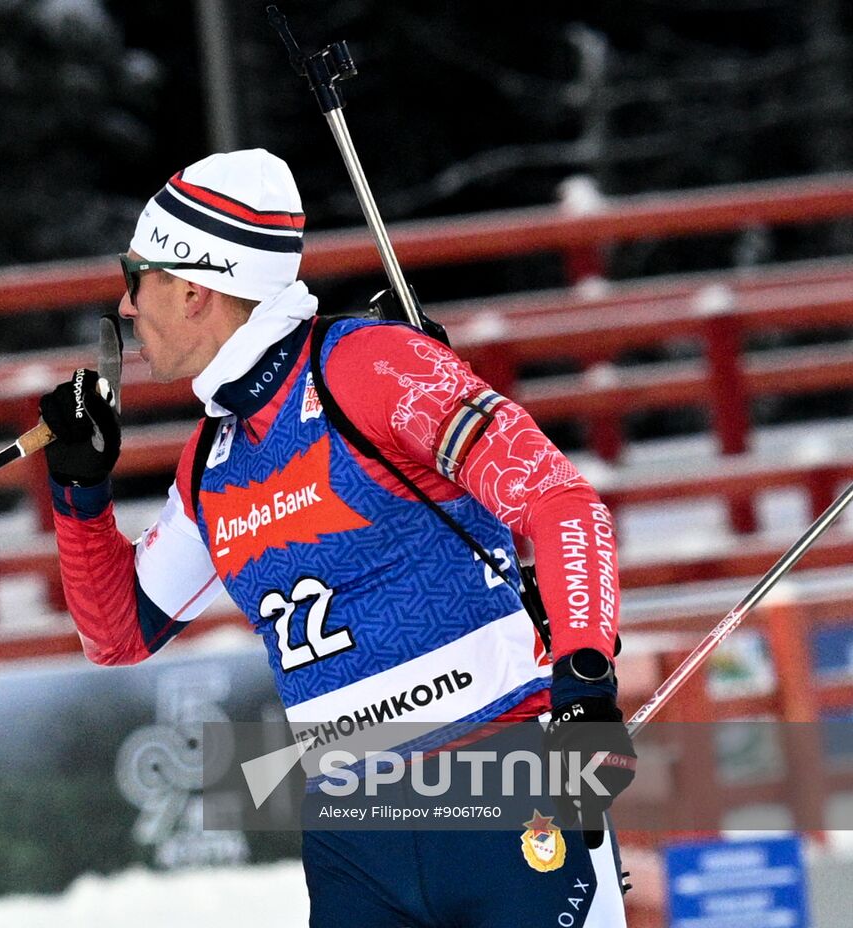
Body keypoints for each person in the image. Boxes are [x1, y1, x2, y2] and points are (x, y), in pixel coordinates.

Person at [38, 149, 636, 927]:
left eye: (136, 277)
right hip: (357, 842)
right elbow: (118, 632)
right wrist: (81, 492)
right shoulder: (213, 458)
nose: (123, 307)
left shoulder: (372, 367)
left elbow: (559, 503)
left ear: (192, 289)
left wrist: (587, 678)